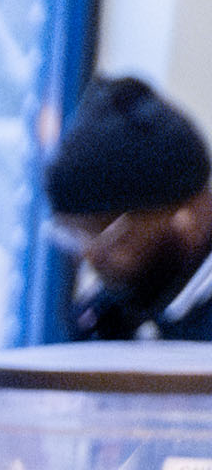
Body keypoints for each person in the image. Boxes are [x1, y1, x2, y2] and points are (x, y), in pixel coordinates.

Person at [46, 74, 212, 342]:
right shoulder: (105, 318)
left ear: (192, 213)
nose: (90, 256)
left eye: (107, 232)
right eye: (74, 235)